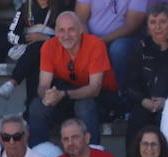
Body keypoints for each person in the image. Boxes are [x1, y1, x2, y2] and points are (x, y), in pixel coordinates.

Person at [28, 12, 119, 147]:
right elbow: (43, 85)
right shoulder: (49, 46)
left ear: (81, 29)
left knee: (84, 105)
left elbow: (94, 89)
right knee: (38, 106)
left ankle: (92, 154)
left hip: (101, 97)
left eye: (71, 30)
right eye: (61, 30)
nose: (66, 35)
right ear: (56, 32)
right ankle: (40, 155)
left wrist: (63, 95)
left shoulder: (95, 44)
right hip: (66, 95)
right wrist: (48, 96)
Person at [122, 2, 168, 138]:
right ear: (147, 25)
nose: (158, 27)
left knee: (167, 117)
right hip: (145, 102)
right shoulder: (141, 46)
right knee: (138, 117)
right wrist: (144, 100)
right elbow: (130, 82)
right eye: (153, 22)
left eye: (163, 22)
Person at [0, 0, 65, 102]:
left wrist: (46, 38)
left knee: (38, 48)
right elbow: (11, 35)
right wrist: (27, 39)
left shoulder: (60, 7)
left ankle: (13, 81)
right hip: (31, 51)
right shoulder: (26, 8)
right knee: (35, 57)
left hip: (56, 49)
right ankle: (30, 108)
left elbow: (67, 36)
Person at [73, 0, 145, 83]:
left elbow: (132, 27)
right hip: (90, 36)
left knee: (119, 48)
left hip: (120, 39)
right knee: (74, 36)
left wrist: (100, 42)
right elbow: (81, 19)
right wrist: (89, 41)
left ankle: (120, 90)